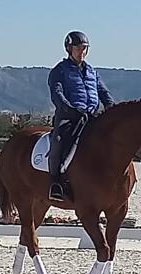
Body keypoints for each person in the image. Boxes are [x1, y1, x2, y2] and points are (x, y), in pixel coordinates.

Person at [47, 30, 115, 201]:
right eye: (78, 48)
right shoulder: (59, 70)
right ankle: (55, 182)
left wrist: (112, 108)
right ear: (69, 49)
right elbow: (57, 95)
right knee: (58, 141)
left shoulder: (92, 71)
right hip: (68, 117)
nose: (82, 51)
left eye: (85, 48)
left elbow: (103, 92)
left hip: (92, 116)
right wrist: (71, 110)